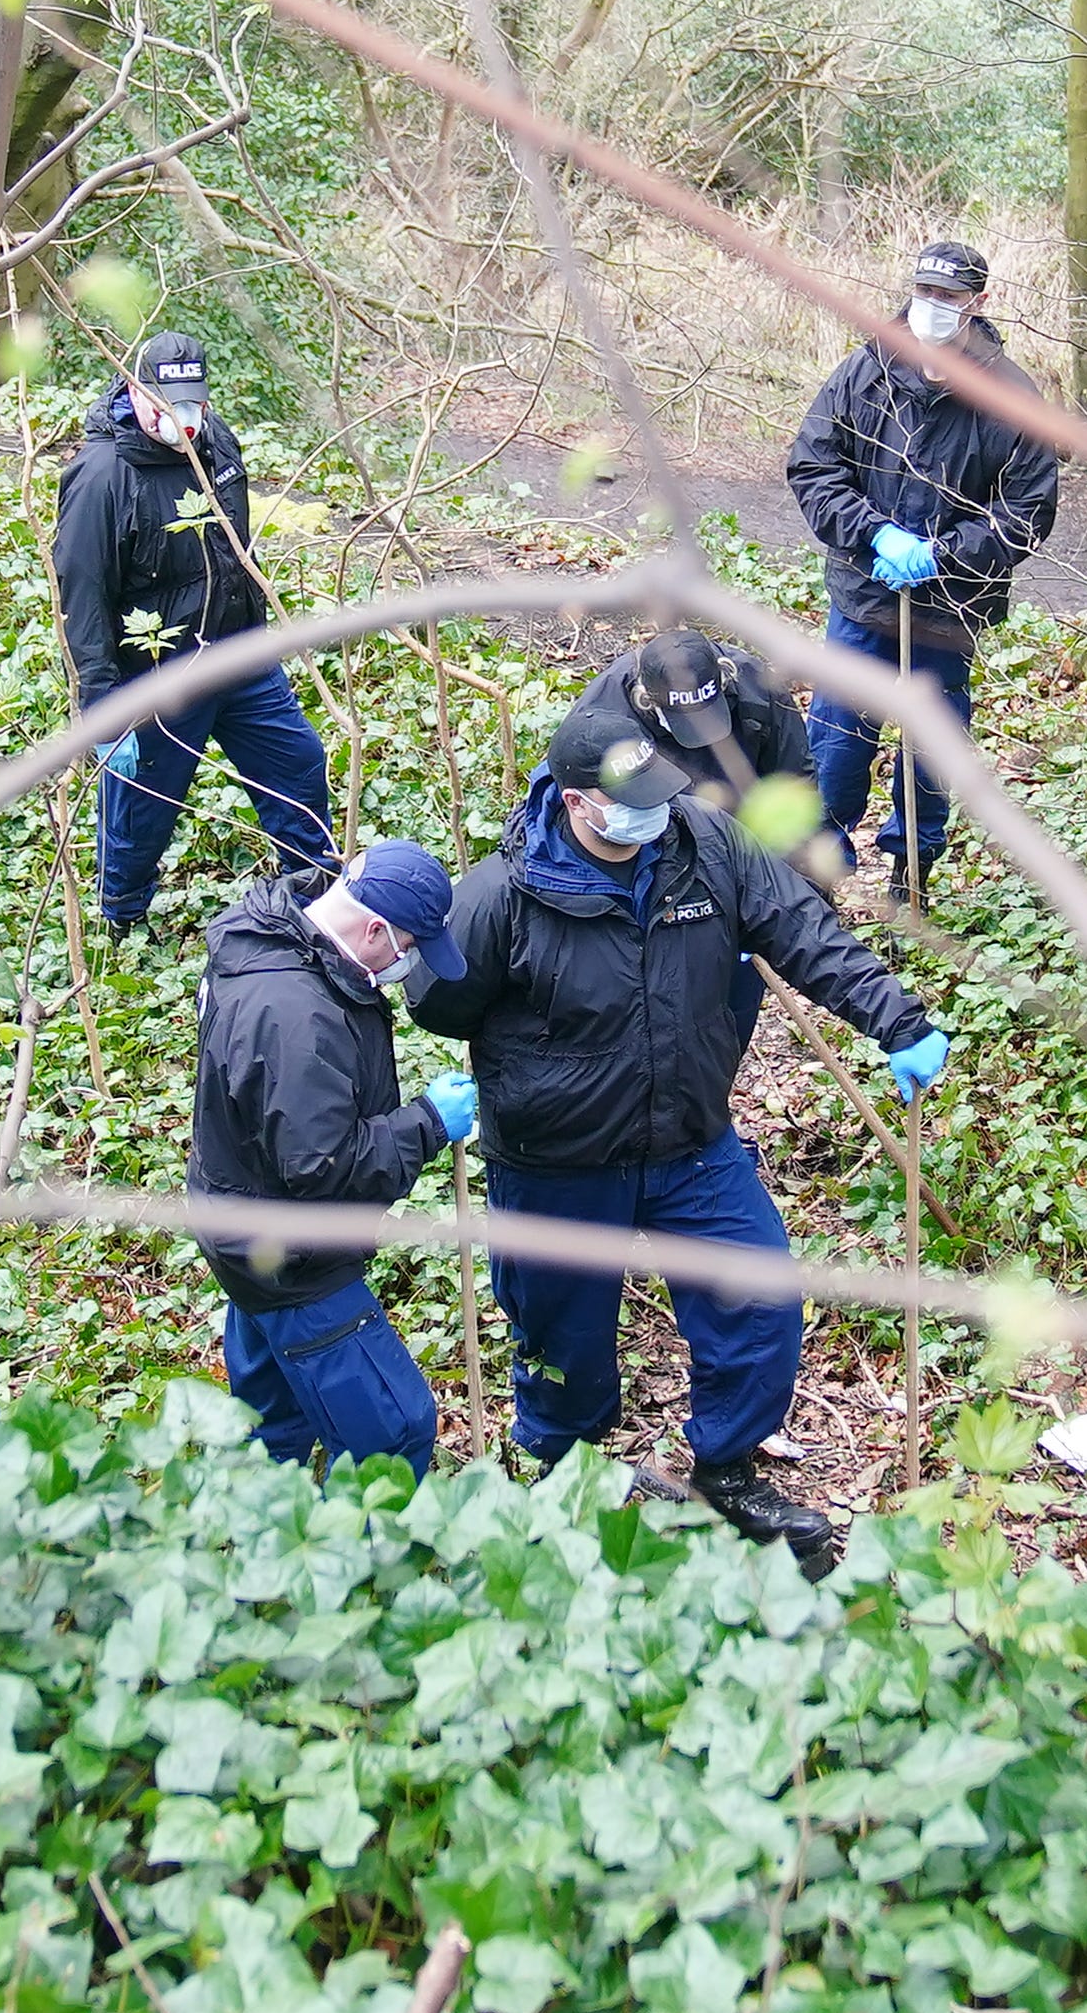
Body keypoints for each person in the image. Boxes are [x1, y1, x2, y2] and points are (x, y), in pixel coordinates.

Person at [410, 700, 950, 1575]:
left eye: (661, 794)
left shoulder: (706, 846)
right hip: (557, 1163)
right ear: (578, 801)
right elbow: (437, 1001)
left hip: (689, 1140)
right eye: (632, 802)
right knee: (560, 1336)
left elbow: (803, 932)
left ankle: (727, 1471)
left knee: (761, 1295)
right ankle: (564, 1477)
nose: (653, 815)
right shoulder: (499, 897)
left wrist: (896, 1020)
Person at [783, 237, 1063, 895]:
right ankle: (821, 872)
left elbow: (1027, 512)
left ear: (979, 303)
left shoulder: (1011, 398)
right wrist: (874, 534)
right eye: (925, 293)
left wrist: (940, 556)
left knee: (931, 746)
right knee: (837, 740)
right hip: (864, 594)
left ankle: (913, 869)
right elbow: (814, 467)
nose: (933, 307)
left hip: (948, 611)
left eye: (949, 297)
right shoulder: (866, 373)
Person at [189, 839, 471, 1471]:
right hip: (291, 1256)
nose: (407, 965)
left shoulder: (269, 943)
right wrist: (427, 1122)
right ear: (374, 929)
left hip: (238, 1223)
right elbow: (322, 1169)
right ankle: (361, 1558)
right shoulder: (297, 1017)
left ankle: (261, 1524)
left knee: (271, 1419)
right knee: (395, 1433)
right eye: (409, 949)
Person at [54, 330, 341, 935]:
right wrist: (103, 706)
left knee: (300, 763)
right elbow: (82, 595)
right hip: (160, 674)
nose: (184, 418)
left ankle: (314, 895)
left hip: (238, 657)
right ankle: (121, 920)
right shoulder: (103, 476)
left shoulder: (216, 445)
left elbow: (233, 551)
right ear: (136, 392)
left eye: (195, 402)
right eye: (169, 403)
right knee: (142, 811)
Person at [553, 622, 809, 815]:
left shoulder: (756, 686)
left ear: (724, 676)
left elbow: (796, 777)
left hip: (744, 827)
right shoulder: (603, 715)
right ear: (645, 700)